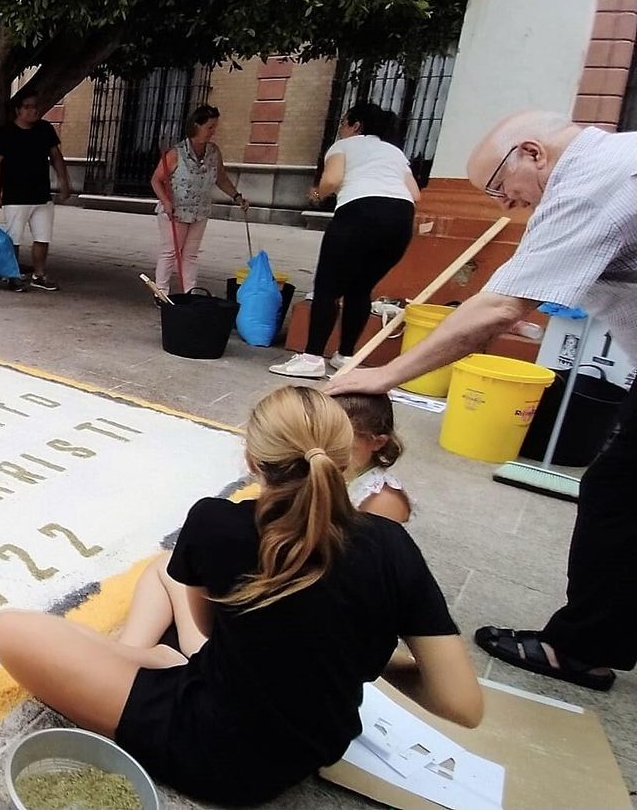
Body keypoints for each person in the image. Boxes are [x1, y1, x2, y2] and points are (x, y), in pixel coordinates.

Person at [0, 386, 481, 805]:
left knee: (8, 629)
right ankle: (139, 656)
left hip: (215, 752)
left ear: (252, 459)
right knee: (167, 572)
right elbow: (462, 704)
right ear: (345, 457)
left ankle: (137, 659)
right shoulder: (391, 542)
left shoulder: (216, 522)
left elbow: (202, 630)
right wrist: (360, 652)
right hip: (309, 744)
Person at [328, 109, 637, 693]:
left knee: (617, 497)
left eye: (501, 188)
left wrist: (385, 373)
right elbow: (503, 297)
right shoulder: (607, 168)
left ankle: (578, 649)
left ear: (532, 152)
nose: (504, 206)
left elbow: (501, 308)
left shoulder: (596, 182)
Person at [271, 104, 422, 379]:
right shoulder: (394, 152)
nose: (341, 129)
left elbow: (333, 179)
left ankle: (312, 357)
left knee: (327, 287)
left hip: (358, 216)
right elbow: (415, 193)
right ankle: (346, 356)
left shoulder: (345, 146)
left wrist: (317, 193)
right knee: (361, 288)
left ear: (356, 125)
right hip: (400, 221)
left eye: (344, 123)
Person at [149, 105, 246, 296]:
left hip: (200, 211)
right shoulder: (176, 153)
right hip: (175, 211)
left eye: (214, 127)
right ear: (196, 126)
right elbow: (156, 180)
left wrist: (236, 196)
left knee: (190, 255)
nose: (213, 131)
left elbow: (221, 177)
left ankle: (190, 292)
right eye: (209, 127)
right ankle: (161, 292)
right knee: (170, 252)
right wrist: (166, 202)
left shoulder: (213, 152)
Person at [0, 95, 74, 291]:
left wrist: (64, 181)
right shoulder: (6, 132)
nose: (32, 111)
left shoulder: (45, 129)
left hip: (41, 194)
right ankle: (12, 275)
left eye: (35, 107)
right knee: (14, 238)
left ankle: (39, 274)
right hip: (15, 195)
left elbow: (56, 156)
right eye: (27, 107)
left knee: (43, 237)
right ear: (18, 110)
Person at [332, 392, 413, 523]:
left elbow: (381, 542)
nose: (326, 449)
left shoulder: (382, 500)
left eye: (342, 444)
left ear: (378, 442)